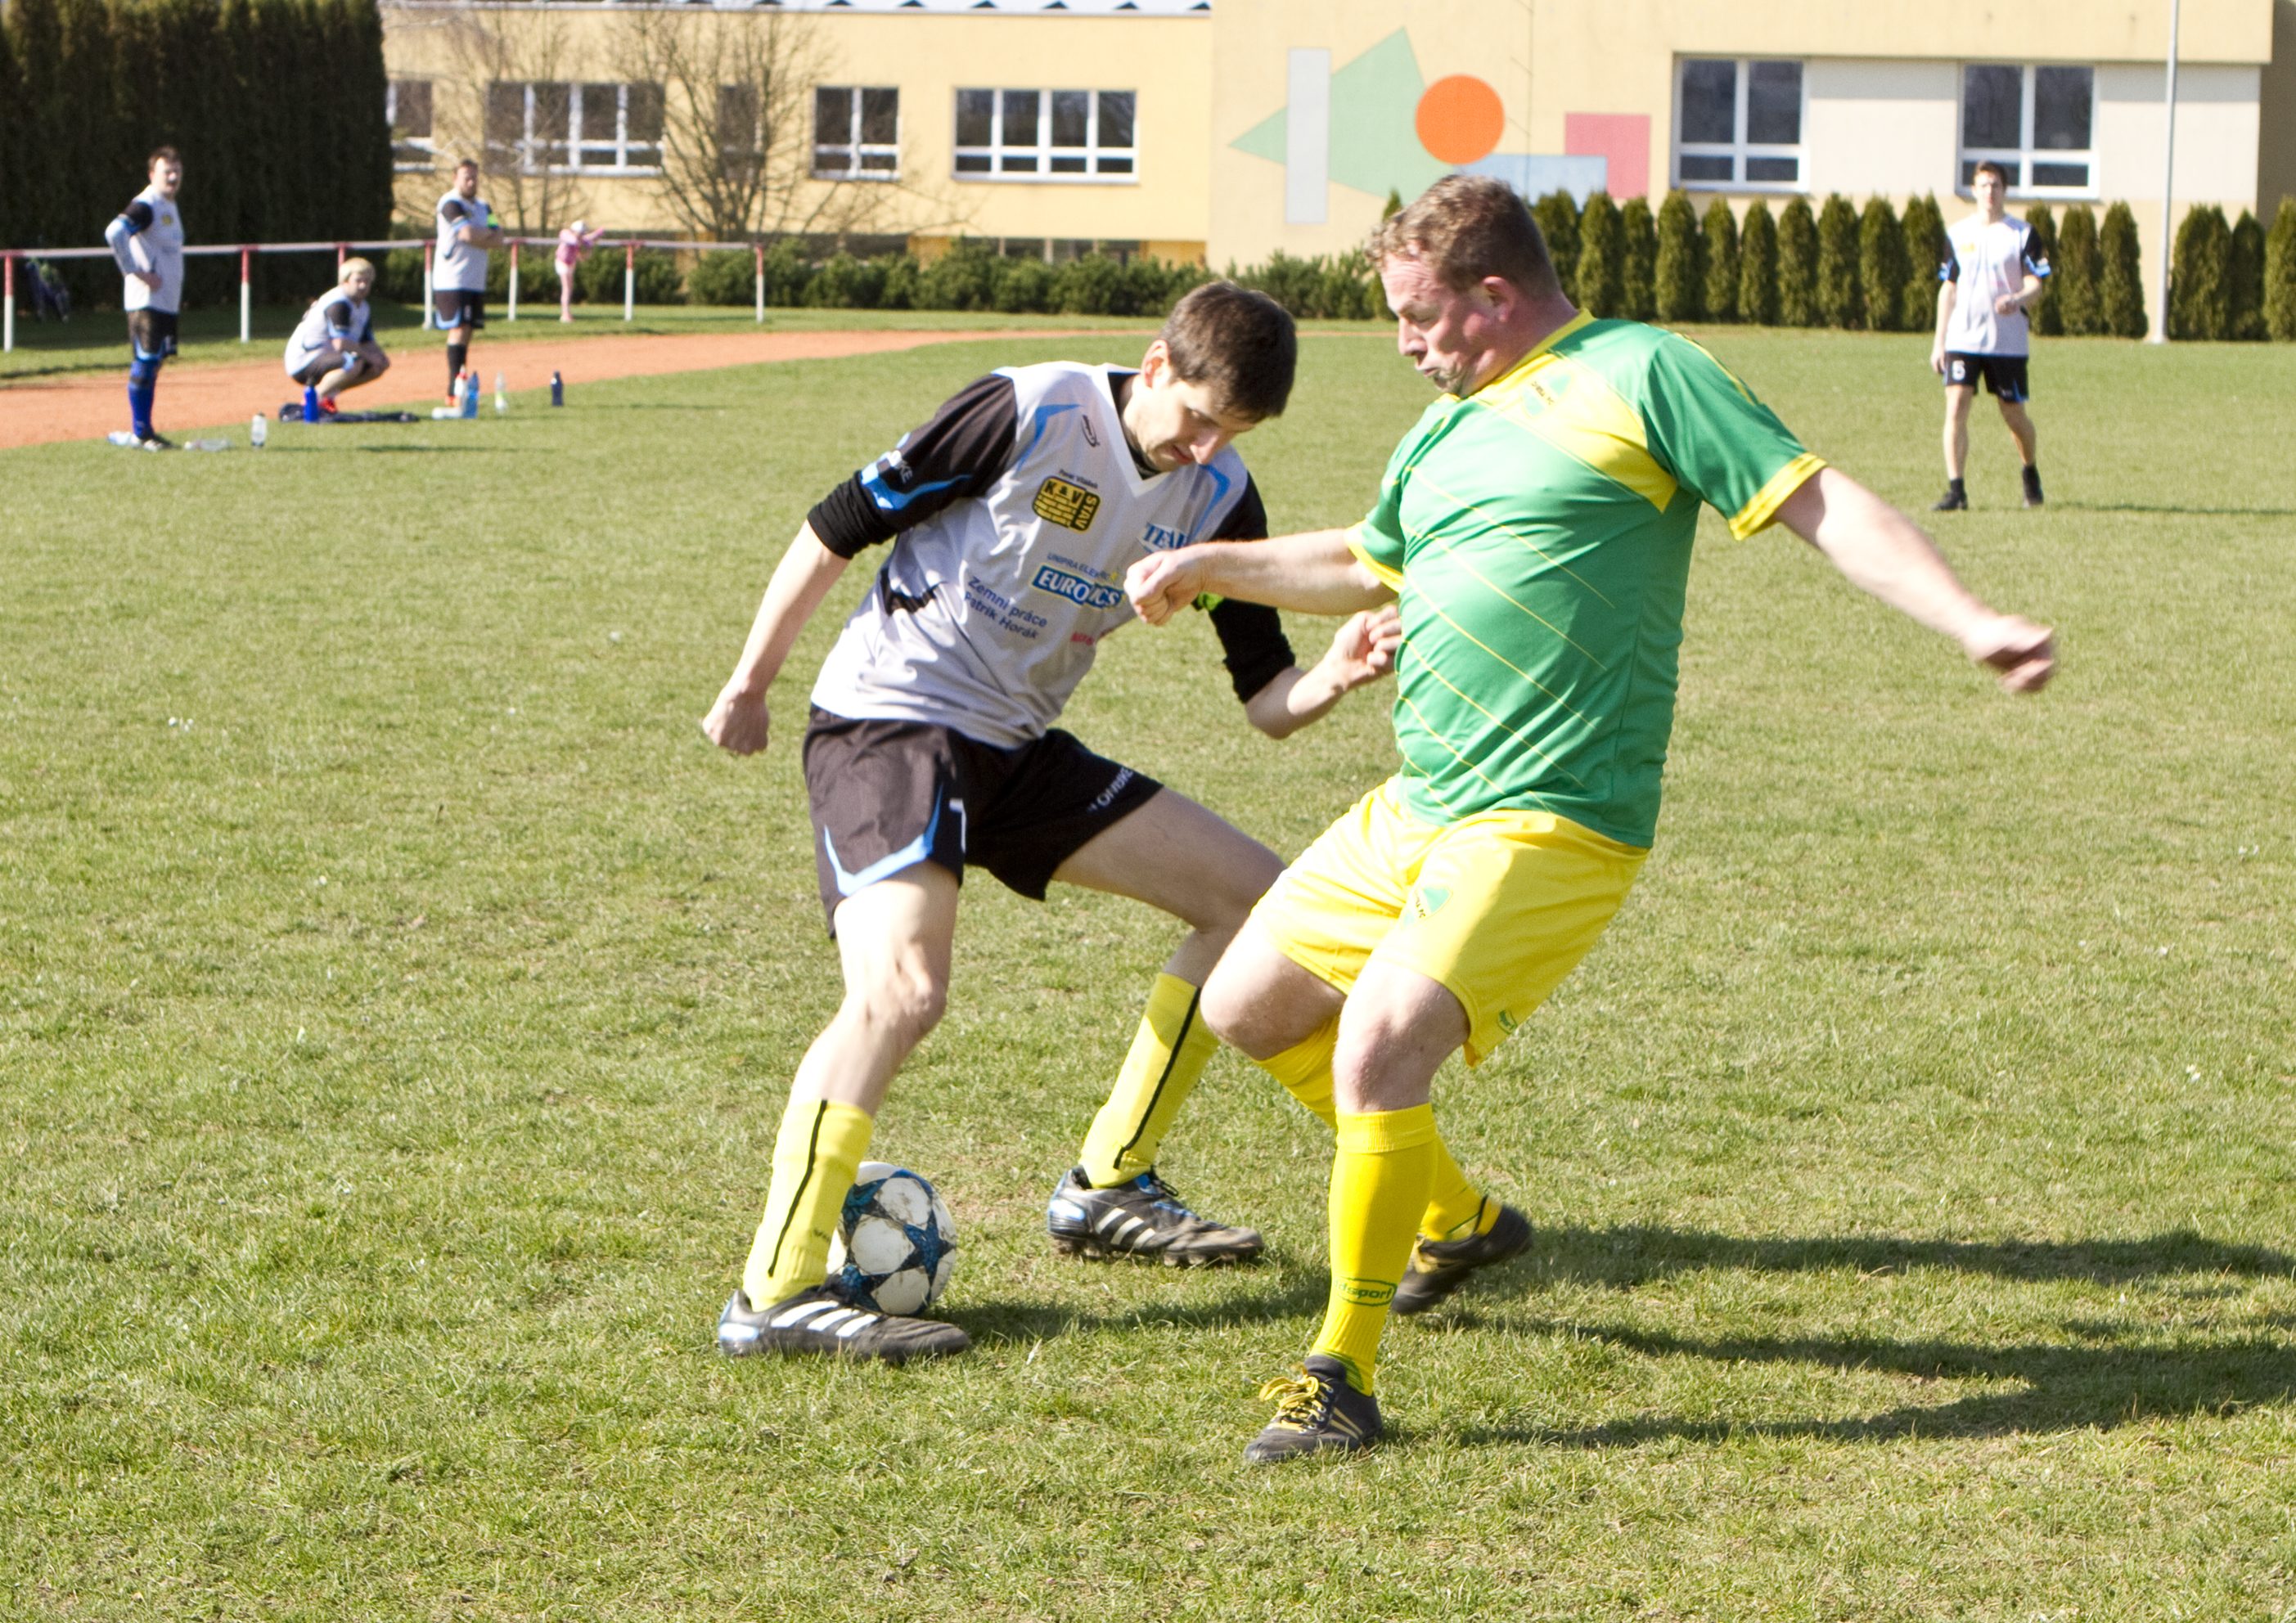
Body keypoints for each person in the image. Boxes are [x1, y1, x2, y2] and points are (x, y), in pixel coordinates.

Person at [1126, 176, 2057, 1464]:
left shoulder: (1639, 373)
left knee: (1377, 1048)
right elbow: (1362, 559)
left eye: (1417, 317)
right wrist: (1206, 563)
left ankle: (1335, 1371)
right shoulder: (1442, 431)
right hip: (1421, 803)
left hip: (1552, 816)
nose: (1403, 343)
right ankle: (1454, 1219)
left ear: (1494, 297)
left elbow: (1815, 500)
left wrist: (1971, 620)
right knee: (1247, 1007)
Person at [701, 281, 1510, 1364]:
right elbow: (837, 526)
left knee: (1255, 908)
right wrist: (750, 683)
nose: (1207, 446)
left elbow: (1266, 702)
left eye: (1235, 431)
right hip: (892, 724)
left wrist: (1332, 675)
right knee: (900, 993)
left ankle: (1109, 1181)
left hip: (1018, 752)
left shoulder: (1218, 494)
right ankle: (775, 1289)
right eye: (1198, 417)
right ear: (1157, 364)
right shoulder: (1027, 411)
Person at [1930, 160, 2051, 511]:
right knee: (1955, 408)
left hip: (2006, 342)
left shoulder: (2021, 234)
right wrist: (1939, 342)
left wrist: (2018, 299)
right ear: (1973, 190)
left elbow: (2036, 283)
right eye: (1983, 185)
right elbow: (1947, 289)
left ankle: (2029, 470)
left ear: (2005, 191)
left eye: (1995, 185)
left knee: (2014, 415)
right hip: (1962, 339)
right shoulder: (1958, 234)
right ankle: (1957, 490)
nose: (1989, 192)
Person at [103, 148, 186, 450]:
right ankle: (141, 434)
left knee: (154, 364)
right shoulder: (147, 204)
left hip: (165, 302)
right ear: (152, 175)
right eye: (167, 171)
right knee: (146, 362)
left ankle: (144, 431)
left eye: (177, 170)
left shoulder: (167, 205)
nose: (174, 177)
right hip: (146, 302)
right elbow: (115, 232)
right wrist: (134, 272)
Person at [434, 159, 505, 406]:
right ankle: (453, 388)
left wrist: (481, 235)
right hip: (452, 278)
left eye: (474, 176)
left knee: (468, 332)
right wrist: (485, 236)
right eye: (466, 177)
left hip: (475, 280)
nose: (471, 181)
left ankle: (460, 385)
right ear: (455, 178)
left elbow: (499, 236)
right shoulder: (450, 203)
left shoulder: (485, 207)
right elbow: (465, 234)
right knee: (459, 329)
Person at [282, 258, 390, 416]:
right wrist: (369, 356)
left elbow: (367, 341)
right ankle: (311, 401)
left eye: (367, 282)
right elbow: (340, 343)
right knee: (353, 361)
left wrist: (380, 357)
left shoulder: (363, 306)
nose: (363, 286)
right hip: (304, 360)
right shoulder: (338, 302)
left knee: (375, 367)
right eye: (358, 280)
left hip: (326, 357)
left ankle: (327, 397)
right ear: (345, 281)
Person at [556, 220, 605, 321]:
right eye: (581, 232)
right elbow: (575, 240)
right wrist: (591, 238)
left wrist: (593, 239)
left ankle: (566, 313)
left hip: (571, 263)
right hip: (562, 262)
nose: (582, 235)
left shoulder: (579, 238)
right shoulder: (565, 233)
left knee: (569, 289)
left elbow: (583, 243)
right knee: (566, 289)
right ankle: (565, 315)